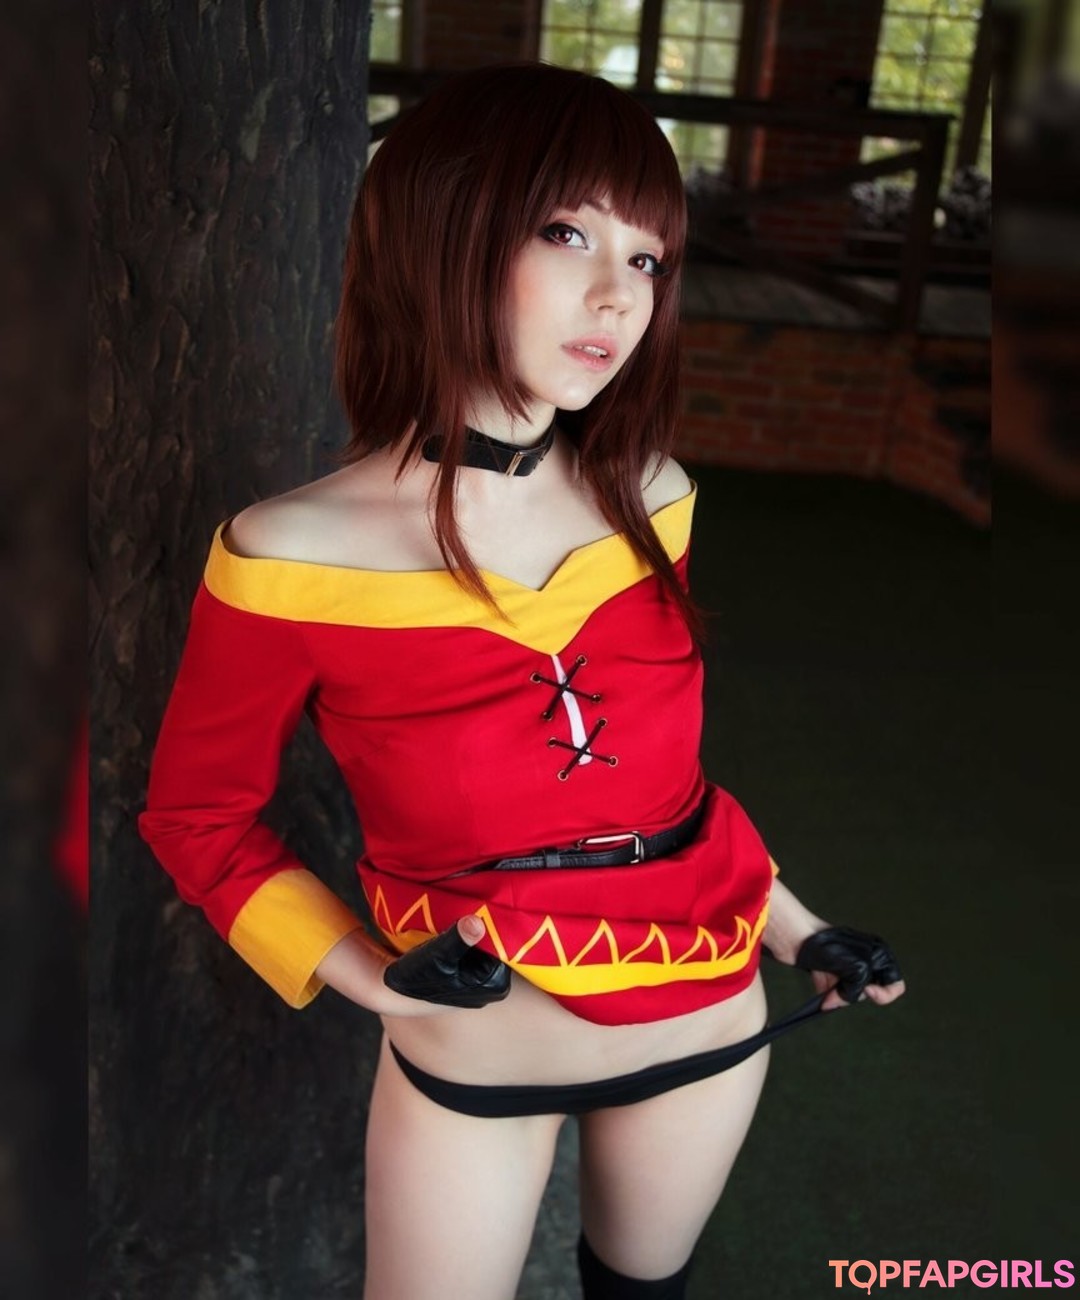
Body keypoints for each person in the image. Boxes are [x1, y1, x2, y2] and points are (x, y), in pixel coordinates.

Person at [139, 62, 905, 1300]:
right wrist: (371, 977)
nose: (619, 293)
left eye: (648, 257)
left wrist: (803, 929)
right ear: (440, 230)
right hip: (473, 1062)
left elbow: (670, 796)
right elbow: (196, 818)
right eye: (566, 233)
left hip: (712, 1025)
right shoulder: (285, 556)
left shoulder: (655, 496)